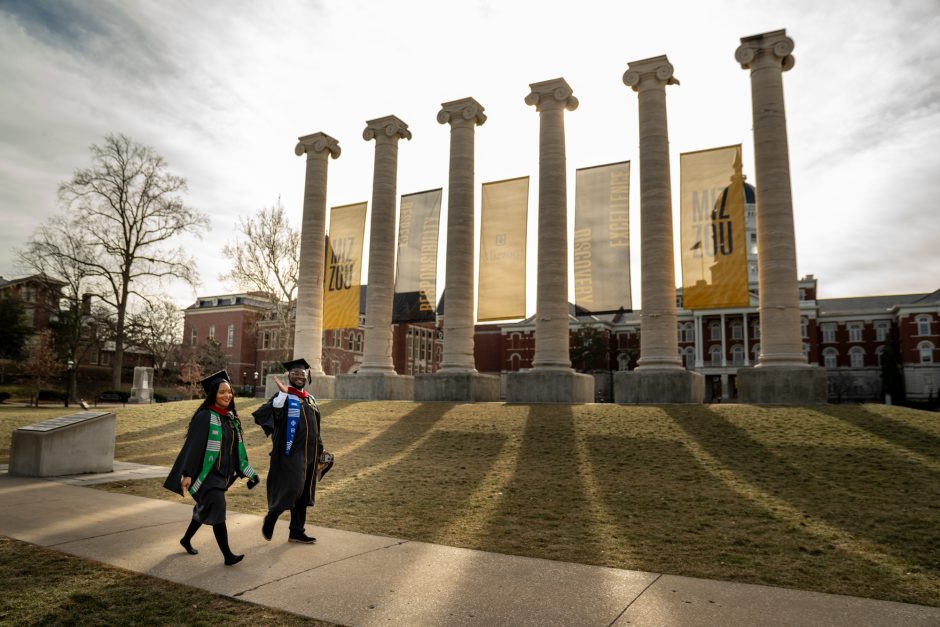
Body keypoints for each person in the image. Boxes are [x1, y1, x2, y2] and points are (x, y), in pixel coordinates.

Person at [163, 370, 260, 565]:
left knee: (206, 508)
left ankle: (185, 540)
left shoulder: (231, 418)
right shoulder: (205, 416)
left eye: (229, 392)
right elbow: (193, 446)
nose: (227, 395)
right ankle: (228, 556)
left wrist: (248, 473)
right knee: (218, 508)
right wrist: (188, 473)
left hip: (222, 475)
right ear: (213, 395)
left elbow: (236, 450)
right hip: (205, 475)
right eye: (221, 392)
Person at [253, 358, 331, 544]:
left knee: (303, 493)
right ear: (288, 376)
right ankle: (272, 515)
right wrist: (281, 396)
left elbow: (315, 428)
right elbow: (265, 414)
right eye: (295, 373)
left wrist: (321, 450)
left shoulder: (310, 399)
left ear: (307, 377)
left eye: (302, 374)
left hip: (310, 454)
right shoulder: (285, 397)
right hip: (291, 454)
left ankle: (296, 531)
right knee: (294, 487)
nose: (298, 377)